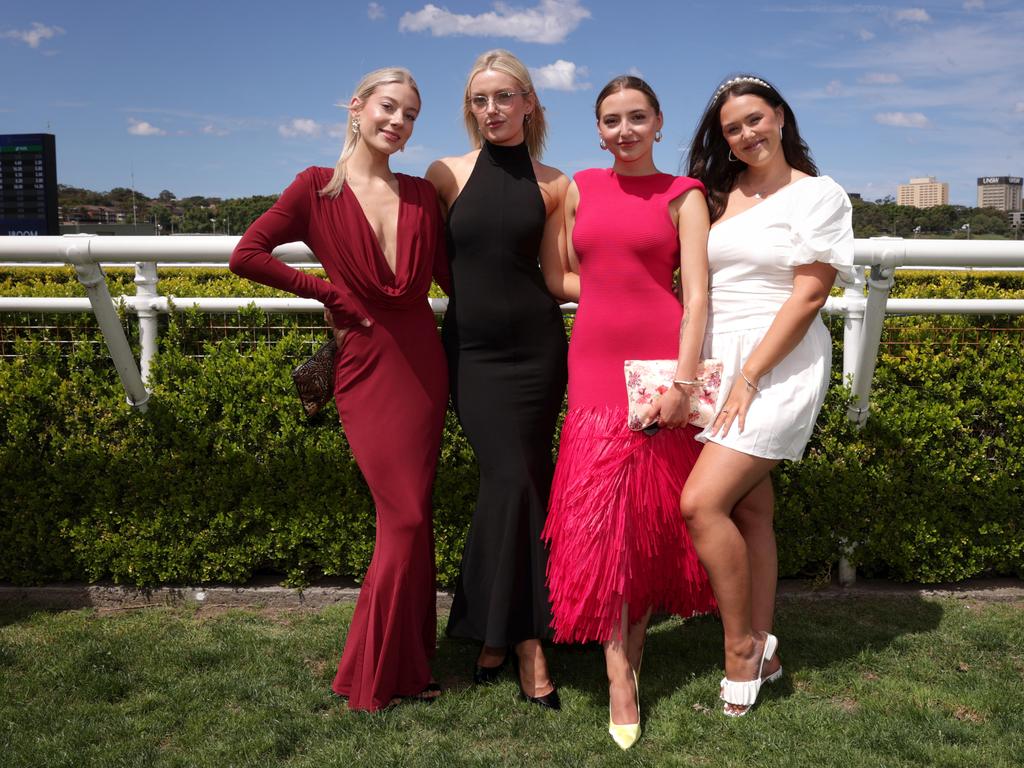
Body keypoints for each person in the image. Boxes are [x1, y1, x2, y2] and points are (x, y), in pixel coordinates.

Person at [229, 67, 449, 712]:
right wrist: (326, 292)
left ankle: (409, 661)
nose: (398, 122)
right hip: (363, 365)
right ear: (356, 108)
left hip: (424, 365)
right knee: (403, 515)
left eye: (409, 115)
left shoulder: (419, 195)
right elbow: (248, 253)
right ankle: (373, 670)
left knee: (412, 516)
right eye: (388, 107)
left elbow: (451, 275)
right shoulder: (313, 189)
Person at [542, 75, 717, 749]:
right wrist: (614, 287)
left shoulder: (685, 195)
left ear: (659, 122)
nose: (625, 130)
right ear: (598, 129)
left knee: (645, 516)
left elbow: (696, 297)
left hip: (657, 369)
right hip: (591, 365)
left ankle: (629, 658)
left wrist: (681, 380)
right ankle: (620, 675)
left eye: (637, 117)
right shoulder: (579, 187)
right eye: (612, 119)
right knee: (602, 520)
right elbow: (556, 275)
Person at [681, 74, 854, 717]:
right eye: (733, 127)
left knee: (700, 503)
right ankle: (766, 650)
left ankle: (740, 650)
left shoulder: (819, 195)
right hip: (720, 361)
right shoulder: (720, 195)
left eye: (756, 119)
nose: (747, 133)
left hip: (776, 364)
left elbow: (809, 295)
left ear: (780, 116)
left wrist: (750, 376)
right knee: (750, 512)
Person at [426, 50, 574, 709]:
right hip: (474, 353)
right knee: (509, 480)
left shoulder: (555, 183)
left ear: (529, 104)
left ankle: (499, 635)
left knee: (519, 482)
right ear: (471, 110)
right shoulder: (444, 175)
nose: (493, 109)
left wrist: (640, 296)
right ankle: (525, 642)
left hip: (537, 352)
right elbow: (422, 260)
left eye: (505, 96)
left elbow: (555, 278)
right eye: (480, 100)